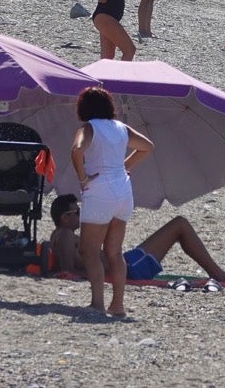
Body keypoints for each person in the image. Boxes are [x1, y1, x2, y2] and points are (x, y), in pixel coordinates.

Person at [71, 87, 155, 317]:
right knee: (114, 252)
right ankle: (117, 304)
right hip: (123, 189)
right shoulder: (121, 128)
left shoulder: (89, 127)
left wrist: (82, 178)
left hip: (99, 189)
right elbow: (147, 146)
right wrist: (125, 166)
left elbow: (76, 150)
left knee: (88, 250)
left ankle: (97, 302)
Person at [49, 194, 225, 285]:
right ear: (65, 218)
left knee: (179, 225)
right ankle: (220, 275)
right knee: (180, 224)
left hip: (127, 264)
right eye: (77, 212)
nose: (81, 215)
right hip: (131, 268)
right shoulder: (65, 235)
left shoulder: (57, 237)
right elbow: (68, 270)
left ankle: (218, 273)